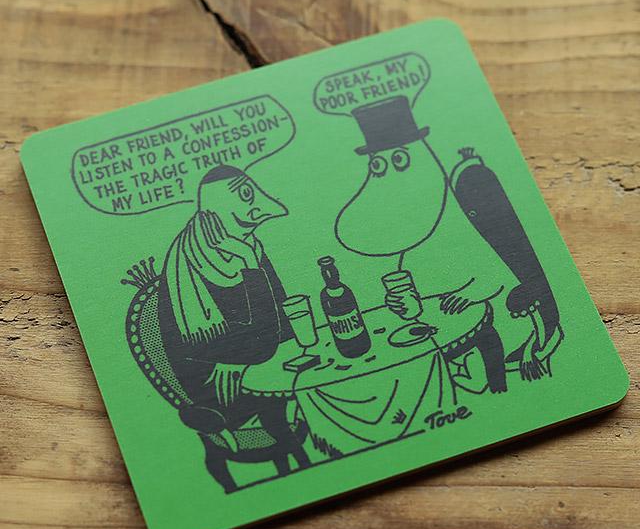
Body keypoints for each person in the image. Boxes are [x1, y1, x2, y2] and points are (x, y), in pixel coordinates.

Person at [335, 95, 561, 393]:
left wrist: (469, 294)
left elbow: (496, 274)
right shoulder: (413, 235)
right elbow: (421, 303)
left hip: (504, 320)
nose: (387, 175)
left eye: (398, 159)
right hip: (449, 335)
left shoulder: (460, 214)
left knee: (469, 376)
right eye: (378, 165)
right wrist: (404, 305)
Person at [157, 165, 310, 492]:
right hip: (214, 389)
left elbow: (281, 324)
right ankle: (307, 472)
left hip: (256, 365)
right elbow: (262, 341)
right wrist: (250, 265)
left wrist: (248, 352)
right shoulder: (190, 264)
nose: (256, 209)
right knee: (281, 407)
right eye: (244, 196)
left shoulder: (248, 247)